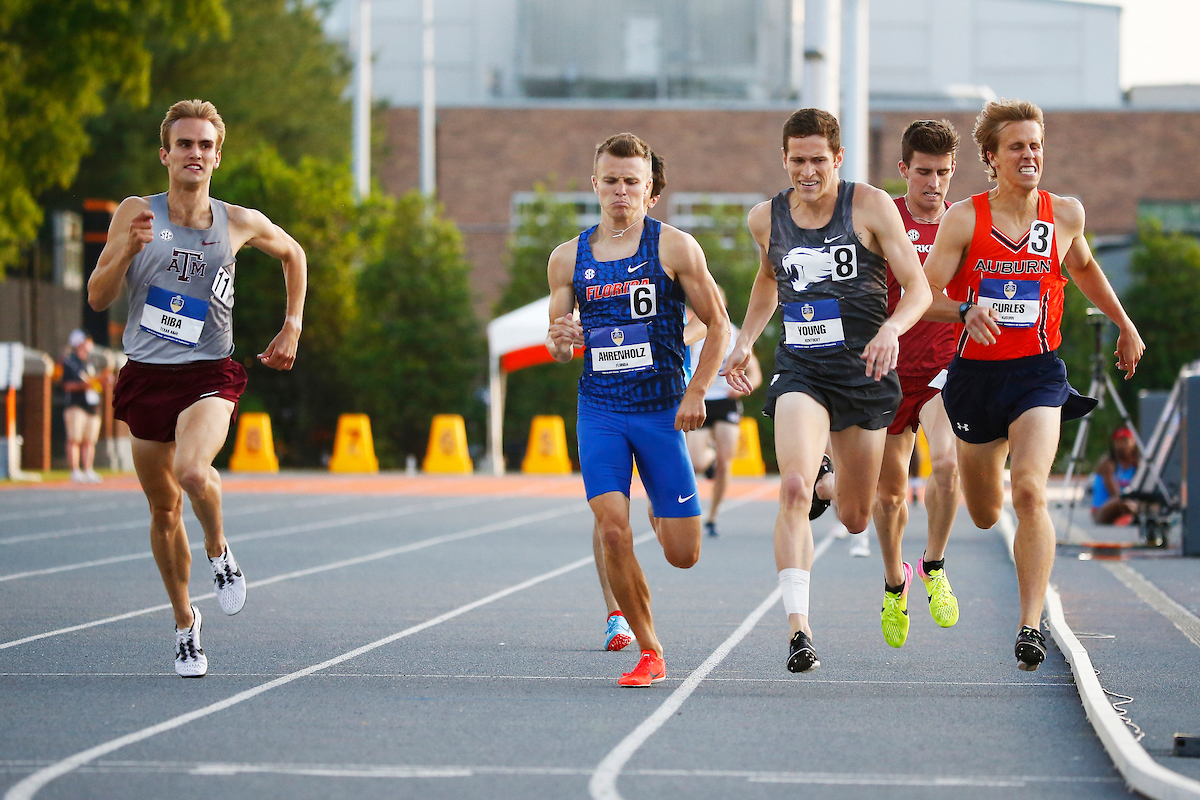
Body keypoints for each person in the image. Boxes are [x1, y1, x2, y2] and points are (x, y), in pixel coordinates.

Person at [87, 99, 308, 678]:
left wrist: (292, 324)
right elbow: (98, 295)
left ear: (217, 156)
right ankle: (186, 623)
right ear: (166, 153)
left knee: (192, 471)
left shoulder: (237, 221)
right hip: (146, 375)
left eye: (205, 145)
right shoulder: (137, 213)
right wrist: (128, 251)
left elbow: (294, 254)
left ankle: (219, 550)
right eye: (185, 144)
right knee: (163, 511)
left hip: (209, 374)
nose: (195, 154)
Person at [922, 99, 1143, 671]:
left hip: (1038, 374)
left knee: (1029, 491)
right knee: (985, 512)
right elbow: (926, 295)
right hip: (975, 378)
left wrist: (1124, 323)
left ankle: (1028, 625)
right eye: (1017, 146)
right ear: (992, 158)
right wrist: (966, 309)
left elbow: (1086, 269)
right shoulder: (965, 219)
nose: (1030, 155)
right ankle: (955, 529)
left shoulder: (1065, 215)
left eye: (1036, 145)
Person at [723, 109, 932, 673]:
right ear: (784, 161)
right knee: (790, 486)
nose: (809, 170)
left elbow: (917, 287)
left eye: (819, 159)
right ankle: (800, 632)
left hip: (864, 372)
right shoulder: (764, 219)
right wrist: (744, 341)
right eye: (798, 160)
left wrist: (891, 329)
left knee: (858, 516)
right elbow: (769, 280)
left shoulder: (869, 206)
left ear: (838, 158)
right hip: (802, 370)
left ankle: (885, 562)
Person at [548, 132, 730, 686]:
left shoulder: (674, 247)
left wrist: (697, 390)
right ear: (595, 185)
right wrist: (562, 338)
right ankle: (649, 650)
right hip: (599, 408)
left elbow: (718, 324)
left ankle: (661, 505)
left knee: (683, 554)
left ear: (650, 190)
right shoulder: (567, 258)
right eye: (611, 180)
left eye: (632, 181)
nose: (621, 190)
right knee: (610, 531)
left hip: (660, 412)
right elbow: (558, 343)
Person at [873, 120, 963, 648]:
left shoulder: (962, 222)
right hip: (886, 373)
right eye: (924, 172)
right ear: (904, 169)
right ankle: (893, 583)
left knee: (948, 463)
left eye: (944, 173)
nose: (934, 183)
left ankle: (934, 563)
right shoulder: (884, 217)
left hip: (941, 368)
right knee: (887, 498)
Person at [686, 286, 762, 538]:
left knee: (725, 463)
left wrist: (740, 391)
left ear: (724, 302)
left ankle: (712, 516)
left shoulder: (738, 334)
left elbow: (756, 374)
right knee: (696, 461)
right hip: (701, 399)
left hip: (727, 401)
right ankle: (710, 460)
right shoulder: (693, 331)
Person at [61, 329, 106, 482]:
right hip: (76, 404)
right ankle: (75, 470)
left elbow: (97, 383)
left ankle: (88, 469)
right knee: (74, 438)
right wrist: (84, 385)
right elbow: (66, 385)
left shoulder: (92, 361)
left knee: (89, 440)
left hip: (92, 406)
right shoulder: (70, 362)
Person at [1092, 427, 1139, 525]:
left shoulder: (1136, 464)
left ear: (1133, 442)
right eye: (1118, 442)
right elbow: (1115, 493)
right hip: (1101, 511)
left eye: (1125, 441)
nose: (1122, 445)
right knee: (1122, 501)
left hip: (1126, 505)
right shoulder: (1108, 463)